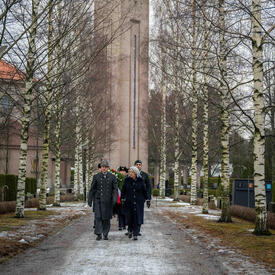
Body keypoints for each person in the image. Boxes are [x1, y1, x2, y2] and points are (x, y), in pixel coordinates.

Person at [88, 160, 118, 241]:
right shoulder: (96, 176)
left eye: (106, 167)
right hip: (98, 200)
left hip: (108, 201)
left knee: (106, 218)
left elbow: (115, 189)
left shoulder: (112, 177)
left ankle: (105, 234)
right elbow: (92, 189)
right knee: (98, 217)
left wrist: (115, 199)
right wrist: (90, 200)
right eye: (102, 167)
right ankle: (98, 234)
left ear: (108, 168)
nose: (104, 169)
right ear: (101, 168)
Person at [121, 166, 148, 241]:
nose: (130, 173)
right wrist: (122, 198)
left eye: (132, 172)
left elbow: (144, 190)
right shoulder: (126, 180)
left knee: (137, 218)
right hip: (129, 201)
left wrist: (147, 199)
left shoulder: (141, 180)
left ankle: (135, 233)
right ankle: (130, 230)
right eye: (129, 172)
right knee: (130, 217)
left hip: (139, 202)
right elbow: (123, 190)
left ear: (136, 173)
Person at [134, 160, 151, 235]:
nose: (138, 166)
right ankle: (131, 229)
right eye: (137, 164)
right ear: (134, 165)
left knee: (139, 214)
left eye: (139, 164)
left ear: (141, 166)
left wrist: (148, 198)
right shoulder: (131, 174)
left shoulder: (145, 175)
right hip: (132, 197)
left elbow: (148, 187)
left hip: (141, 198)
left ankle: (138, 230)